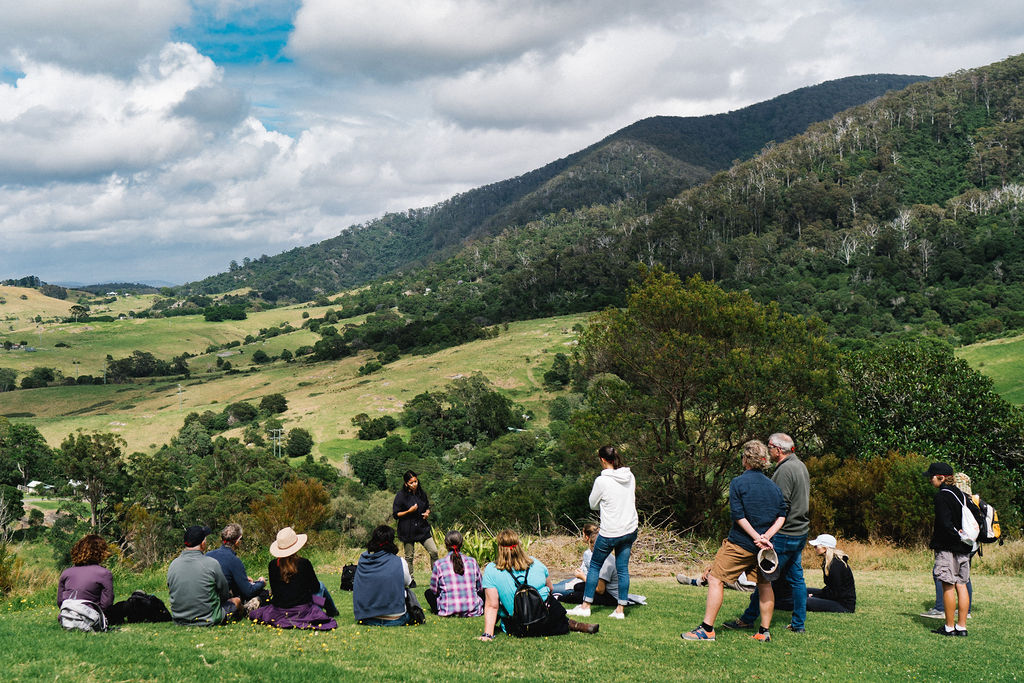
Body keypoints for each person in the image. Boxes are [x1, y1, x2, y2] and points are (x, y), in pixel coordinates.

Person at [681, 440, 786, 642]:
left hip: (740, 544)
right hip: (764, 549)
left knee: (715, 579)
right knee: (765, 586)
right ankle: (764, 632)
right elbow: (782, 515)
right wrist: (766, 538)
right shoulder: (774, 487)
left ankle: (707, 630)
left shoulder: (738, 482)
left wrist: (757, 538)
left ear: (746, 459)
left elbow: (738, 516)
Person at [724, 432, 810, 633]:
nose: (768, 450)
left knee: (764, 578)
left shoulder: (785, 470)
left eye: (770, 446)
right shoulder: (801, 466)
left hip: (783, 533)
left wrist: (765, 534)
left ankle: (749, 619)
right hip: (800, 532)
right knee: (797, 579)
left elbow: (780, 506)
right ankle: (798, 624)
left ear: (778, 450)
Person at [479, 529, 598, 640]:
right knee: (551, 603)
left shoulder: (491, 570)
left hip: (520, 626)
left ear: (499, 548)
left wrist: (488, 634)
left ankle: (573, 624)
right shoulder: (535, 562)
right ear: (519, 545)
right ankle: (574, 624)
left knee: (493, 599)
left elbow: (492, 605)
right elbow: (550, 589)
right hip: (549, 621)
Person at [566, 445, 638, 620]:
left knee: (595, 567)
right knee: (622, 570)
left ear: (603, 460)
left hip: (611, 531)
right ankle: (620, 610)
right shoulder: (629, 476)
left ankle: (585, 606)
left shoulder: (602, 481)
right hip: (629, 528)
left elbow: (592, 503)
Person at [925, 462, 980, 636]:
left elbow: (944, 523)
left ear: (941, 477)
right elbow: (976, 515)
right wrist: (964, 537)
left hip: (948, 547)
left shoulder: (942, 496)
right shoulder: (962, 494)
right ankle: (961, 627)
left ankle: (949, 627)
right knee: (961, 584)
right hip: (964, 547)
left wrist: (954, 535)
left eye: (932, 477)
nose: (930, 480)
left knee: (948, 585)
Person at [248, 526, 338, 630]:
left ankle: (330, 610)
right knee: (321, 586)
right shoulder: (304, 563)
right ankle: (331, 610)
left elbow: (275, 590)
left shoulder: (272, 565)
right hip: (303, 609)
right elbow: (315, 588)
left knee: (317, 592)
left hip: (280, 609)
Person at [167, 525, 240, 626]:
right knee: (236, 601)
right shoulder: (212, 563)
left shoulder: (173, 565)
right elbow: (224, 594)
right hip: (208, 618)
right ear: (203, 544)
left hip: (179, 619)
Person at [353, 525, 413, 626]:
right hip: (396, 618)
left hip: (367, 617)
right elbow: (408, 582)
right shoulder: (399, 561)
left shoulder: (363, 561)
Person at [392, 470, 438, 587]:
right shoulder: (400, 496)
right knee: (409, 557)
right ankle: (410, 580)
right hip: (407, 529)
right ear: (406, 483)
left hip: (422, 528)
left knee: (434, 551)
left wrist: (427, 512)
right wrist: (409, 511)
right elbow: (396, 514)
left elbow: (427, 506)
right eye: (411, 482)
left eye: (416, 481)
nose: (414, 484)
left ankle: (436, 578)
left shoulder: (421, 493)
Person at [206, 523, 267, 610]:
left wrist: (242, 579)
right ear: (237, 542)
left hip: (207, 598)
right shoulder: (234, 560)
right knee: (264, 594)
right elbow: (248, 591)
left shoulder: (208, 555)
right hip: (220, 601)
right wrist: (261, 583)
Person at [424, 530, 484, 617]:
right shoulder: (472, 561)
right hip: (473, 609)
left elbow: (434, 590)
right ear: (462, 544)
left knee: (428, 593)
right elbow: (480, 588)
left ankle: (442, 608)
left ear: (446, 545)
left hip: (448, 609)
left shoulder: (439, 564)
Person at [57, 534, 114, 615]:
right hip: (92, 616)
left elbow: (60, 601)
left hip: (67, 616)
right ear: (100, 553)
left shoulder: (66, 573)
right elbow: (107, 604)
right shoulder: (104, 573)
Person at [551, 523, 598, 595]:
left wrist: (581, 575)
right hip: (580, 580)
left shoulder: (588, 553)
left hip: (582, 583)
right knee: (559, 583)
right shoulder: (591, 552)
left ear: (586, 536)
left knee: (550, 588)